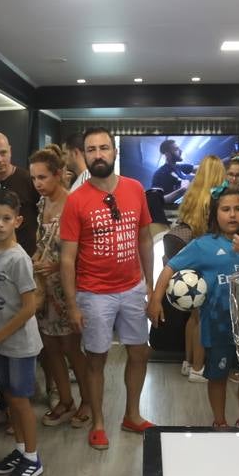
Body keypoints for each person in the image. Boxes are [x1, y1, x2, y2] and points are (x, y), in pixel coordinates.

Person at [60, 127, 156, 450]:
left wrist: (151, 287)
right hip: (93, 292)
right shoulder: (75, 200)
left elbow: (144, 238)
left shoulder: (135, 189)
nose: (98, 154)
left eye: (104, 148)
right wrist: (72, 304)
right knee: (96, 359)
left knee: (139, 352)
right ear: (84, 155)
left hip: (132, 288)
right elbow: (67, 258)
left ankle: (132, 414)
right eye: (91, 149)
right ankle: (99, 422)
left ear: (114, 152)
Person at [148, 187, 239, 428]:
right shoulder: (203, 245)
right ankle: (219, 422)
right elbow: (170, 267)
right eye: (226, 209)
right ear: (214, 213)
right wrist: (156, 300)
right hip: (219, 326)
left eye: (238, 209)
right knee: (217, 376)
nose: (232, 215)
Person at [0, 194, 45, 476]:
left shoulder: (19, 259)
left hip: (19, 345)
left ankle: (32, 457)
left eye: (6, 219)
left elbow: (30, 307)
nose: (0, 224)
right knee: (10, 398)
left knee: (20, 401)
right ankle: (19, 450)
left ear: (17, 221)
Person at [29, 146, 91, 428]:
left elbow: (83, 251)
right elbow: (43, 242)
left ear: (58, 175)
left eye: (43, 177)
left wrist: (55, 267)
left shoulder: (73, 203)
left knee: (72, 347)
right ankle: (65, 400)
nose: (38, 183)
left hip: (67, 286)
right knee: (50, 346)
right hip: (44, 285)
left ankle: (88, 400)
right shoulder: (42, 205)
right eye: (34, 178)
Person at [166, 155, 223, 382]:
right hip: (207, 257)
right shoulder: (216, 198)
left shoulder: (191, 194)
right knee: (204, 317)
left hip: (189, 257)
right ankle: (199, 369)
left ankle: (188, 362)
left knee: (194, 314)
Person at [0, 132, 40, 254]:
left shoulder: (28, 180)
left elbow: (44, 216)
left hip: (29, 255)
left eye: (3, 153)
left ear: (10, 151)